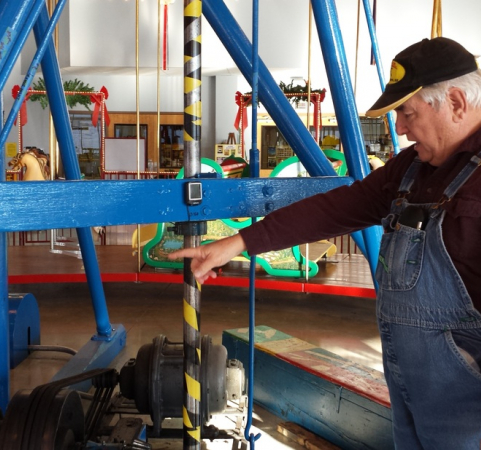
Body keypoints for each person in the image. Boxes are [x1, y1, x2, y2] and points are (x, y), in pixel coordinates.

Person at [169, 37, 481, 449]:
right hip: (411, 394)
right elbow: (339, 208)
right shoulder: (414, 168)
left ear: (456, 103)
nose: (401, 129)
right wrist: (240, 242)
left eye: (408, 112)